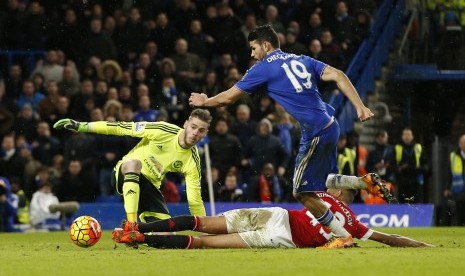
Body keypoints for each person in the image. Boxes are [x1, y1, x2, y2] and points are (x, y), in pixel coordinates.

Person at [189, 24, 383, 248]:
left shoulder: (262, 68)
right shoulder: (303, 59)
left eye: (253, 48)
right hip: (331, 124)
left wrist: (206, 101)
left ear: (266, 45)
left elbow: (227, 99)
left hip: (315, 130)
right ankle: (362, 182)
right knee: (318, 184)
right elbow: (339, 75)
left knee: (301, 192)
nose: (252, 54)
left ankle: (340, 236)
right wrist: (360, 107)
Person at [111, 188, 432, 249]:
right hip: (280, 235)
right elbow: (390, 239)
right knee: (205, 242)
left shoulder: (320, 194)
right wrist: (422, 245)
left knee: (202, 225)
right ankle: (140, 235)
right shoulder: (355, 224)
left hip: (278, 222)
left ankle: (136, 229)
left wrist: (360, 180)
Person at [53, 109, 212, 225]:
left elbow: (194, 200)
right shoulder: (162, 130)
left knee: (164, 234)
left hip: (149, 189)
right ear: (186, 124)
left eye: (201, 130)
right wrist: (81, 126)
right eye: (193, 127)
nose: (195, 133)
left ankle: (140, 234)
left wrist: (207, 230)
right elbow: (121, 127)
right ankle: (131, 225)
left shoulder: (193, 160)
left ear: (205, 134)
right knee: (134, 164)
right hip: (124, 172)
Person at [444, 134, 465, 225]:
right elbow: (449, 173)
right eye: (463, 142)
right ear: (459, 144)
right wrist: (447, 188)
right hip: (459, 189)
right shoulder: (453, 156)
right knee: (459, 212)